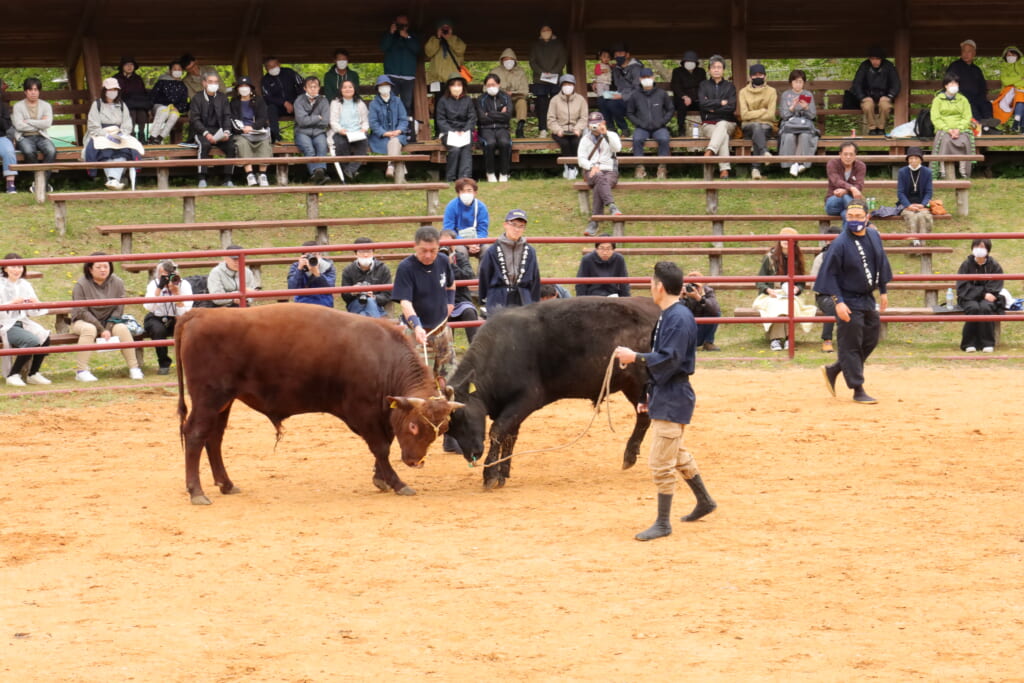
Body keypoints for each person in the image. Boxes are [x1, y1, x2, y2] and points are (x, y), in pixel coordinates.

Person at [614, 261, 717, 541]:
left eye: (651, 283)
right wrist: (647, 393)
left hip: (673, 394)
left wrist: (634, 357)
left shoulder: (677, 318)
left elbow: (670, 359)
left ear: (659, 287)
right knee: (676, 452)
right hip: (667, 392)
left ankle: (663, 522)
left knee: (661, 462)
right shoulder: (670, 315)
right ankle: (704, 500)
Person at [815, 200, 893, 405]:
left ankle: (835, 369)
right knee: (850, 343)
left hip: (866, 296)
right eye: (850, 217)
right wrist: (838, 302)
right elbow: (829, 275)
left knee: (871, 337)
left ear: (867, 217)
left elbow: (881, 262)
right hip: (847, 297)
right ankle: (858, 388)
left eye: (859, 216)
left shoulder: (874, 236)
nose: (854, 220)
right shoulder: (840, 243)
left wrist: (883, 290)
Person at [392, 225, 457, 385]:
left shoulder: (442, 260)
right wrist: (417, 326)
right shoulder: (406, 268)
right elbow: (405, 302)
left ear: (439, 247)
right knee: (418, 382)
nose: (428, 255)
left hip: (442, 331)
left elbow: (451, 284)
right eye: (423, 250)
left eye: (433, 250)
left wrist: (450, 302)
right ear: (415, 246)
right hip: (417, 333)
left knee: (449, 379)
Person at [70, 253, 143, 382]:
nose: (103, 270)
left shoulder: (117, 282)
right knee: (89, 329)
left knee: (122, 328)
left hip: (110, 321)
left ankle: (134, 368)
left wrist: (108, 327)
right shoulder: (81, 285)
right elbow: (81, 311)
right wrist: (101, 329)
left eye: (106, 266)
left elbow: (119, 308)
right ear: (90, 269)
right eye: (98, 267)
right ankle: (81, 371)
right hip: (84, 320)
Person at [752, 227, 818, 351]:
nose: (785, 241)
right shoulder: (770, 257)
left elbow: (801, 283)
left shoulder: (797, 259)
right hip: (770, 294)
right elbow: (760, 281)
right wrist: (768, 290)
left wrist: (796, 289)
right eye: (783, 237)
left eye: (789, 238)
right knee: (777, 306)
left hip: (789, 295)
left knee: (788, 305)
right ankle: (777, 339)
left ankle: (787, 338)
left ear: (795, 242)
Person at [0, 253, 51, 386]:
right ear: (5, 268)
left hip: (22, 321)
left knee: (45, 336)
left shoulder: (25, 284)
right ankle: (12, 374)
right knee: (32, 341)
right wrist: (11, 304)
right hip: (5, 324)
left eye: (20, 266)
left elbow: (34, 312)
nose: (17, 270)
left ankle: (33, 373)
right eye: (13, 266)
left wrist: (34, 303)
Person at [85, 78, 144, 191]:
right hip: (101, 134)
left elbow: (127, 123)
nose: (113, 92)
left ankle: (113, 180)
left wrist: (122, 134)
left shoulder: (122, 105)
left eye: (115, 89)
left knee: (126, 150)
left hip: (119, 134)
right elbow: (93, 125)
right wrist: (106, 135)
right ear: (104, 90)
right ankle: (114, 179)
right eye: (110, 89)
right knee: (105, 150)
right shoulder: (96, 105)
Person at [478, 209, 541, 312]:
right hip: (498, 296)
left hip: (523, 296)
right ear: (505, 225)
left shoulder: (530, 251)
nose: (517, 229)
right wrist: (484, 299)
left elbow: (535, 279)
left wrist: (534, 302)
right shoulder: (492, 251)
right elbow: (485, 276)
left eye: (521, 226)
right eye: (514, 225)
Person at [142, 260, 193, 375]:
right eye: (163, 275)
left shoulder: (184, 285)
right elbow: (149, 307)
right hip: (157, 317)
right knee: (158, 331)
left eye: (169, 275)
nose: (167, 278)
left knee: (189, 328)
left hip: (178, 317)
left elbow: (187, 311)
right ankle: (163, 364)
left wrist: (176, 295)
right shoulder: (153, 284)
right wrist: (159, 290)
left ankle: (188, 362)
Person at [577, 112, 622, 237]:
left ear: (603, 123)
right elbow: (581, 159)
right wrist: (592, 166)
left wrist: (605, 133)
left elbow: (617, 148)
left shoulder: (611, 135)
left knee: (600, 184)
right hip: (591, 171)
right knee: (599, 177)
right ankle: (611, 205)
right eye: (592, 124)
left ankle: (595, 221)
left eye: (597, 123)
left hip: (609, 170)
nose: (595, 126)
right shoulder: (585, 139)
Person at [957, 239, 1004, 353]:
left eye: (982, 247)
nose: (979, 249)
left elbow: (996, 284)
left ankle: (987, 343)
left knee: (986, 308)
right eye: (977, 246)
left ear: (988, 249)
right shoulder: (966, 265)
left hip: (988, 298)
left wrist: (989, 293)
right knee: (973, 308)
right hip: (968, 297)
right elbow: (963, 286)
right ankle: (968, 343)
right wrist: (983, 293)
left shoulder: (994, 265)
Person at [190, 71, 236, 188]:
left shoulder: (223, 98)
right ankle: (202, 177)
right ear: (204, 83)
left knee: (231, 146)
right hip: (201, 131)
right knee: (204, 145)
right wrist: (206, 134)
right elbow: (195, 119)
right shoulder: (197, 98)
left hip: (219, 131)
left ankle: (228, 178)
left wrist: (226, 132)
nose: (213, 84)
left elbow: (227, 116)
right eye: (210, 82)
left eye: (216, 82)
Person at [628, 67, 675, 179]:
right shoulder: (634, 95)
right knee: (637, 139)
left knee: (664, 139)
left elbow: (670, 109)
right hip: (642, 127)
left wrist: (662, 121)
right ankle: (639, 168)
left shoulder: (662, 94)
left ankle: (662, 168)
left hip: (659, 127)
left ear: (653, 78)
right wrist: (639, 123)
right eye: (644, 77)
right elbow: (630, 113)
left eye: (648, 77)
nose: (646, 79)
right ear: (640, 79)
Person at [12, 78, 57, 192]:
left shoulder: (46, 105)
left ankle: (40, 182)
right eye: (30, 89)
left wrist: (29, 121)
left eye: (36, 89)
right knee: (28, 151)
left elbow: (47, 123)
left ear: (39, 91)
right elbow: (19, 126)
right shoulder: (18, 106)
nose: (33, 92)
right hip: (24, 136)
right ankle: (42, 182)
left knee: (51, 151)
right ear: (25, 92)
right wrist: (39, 123)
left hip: (41, 135)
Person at [698, 55, 738, 179]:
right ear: (709, 69)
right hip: (708, 124)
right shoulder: (703, 85)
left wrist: (712, 107)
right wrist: (720, 103)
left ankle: (710, 151)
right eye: (713, 67)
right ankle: (724, 170)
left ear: (723, 70)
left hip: (728, 123)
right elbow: (702, 104)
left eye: (719, 67)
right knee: (723, 135)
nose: (716, 70)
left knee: (722, 124)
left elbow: (731, 107)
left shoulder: (730, 87)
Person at [930, 74, 975, 179]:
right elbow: (935, 118)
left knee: (964, 140)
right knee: (945, 140)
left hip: (961, 129)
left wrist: (959, 129)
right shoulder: (938, 100)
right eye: (951, 83)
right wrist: (948, 129)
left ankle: (963, 169)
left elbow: (967, 116)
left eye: (956, 83)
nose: (954, 85)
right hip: (943, 129)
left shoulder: (963, 100)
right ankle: (942, 169)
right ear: (946, 85)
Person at [229, 76, 271, 187]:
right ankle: (250, 174)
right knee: (242, 143)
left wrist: (252, 127)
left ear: (251, 88)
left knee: (265, 143)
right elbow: (231, 119)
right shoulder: (234, 103)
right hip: (242, 132)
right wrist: (242, 128)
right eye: (241, 86)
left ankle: (262, 174)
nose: (244, 88)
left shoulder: (259, 100)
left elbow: (263, 118)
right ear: (237, 89)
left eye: (246, 86)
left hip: (258, 130)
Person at [439, 229, 480, 343]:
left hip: (461, 300)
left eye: (449, 244)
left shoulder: (460, 257)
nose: (446, 247)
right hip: (441, 301)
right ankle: (447, 354)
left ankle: (474, 350)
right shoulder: (433, 259)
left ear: (454, 244)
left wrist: (452, 265)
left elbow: (468, 276)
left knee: (469, 312)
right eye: (443, 244)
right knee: (442, 315)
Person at [738, 63, 777, 180]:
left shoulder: (771, 91)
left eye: (760, 74)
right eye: (755, 75)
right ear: (750, 77)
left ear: (765, 76)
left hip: (766, 126)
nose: (758, 77)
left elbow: (771, 115)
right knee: (756, 127)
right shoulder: (743, 92)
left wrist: (754, 115)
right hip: (748, 126)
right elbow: (744, 115)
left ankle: (755, 169)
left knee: (758, 130)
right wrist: (762, 111)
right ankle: (764, 153)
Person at [778, 69, 819, 177]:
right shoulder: (785, 95)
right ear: (791, 82)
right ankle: (793, 163)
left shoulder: (808, 94)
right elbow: (784, 115)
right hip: (789, 124)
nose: (798, 84)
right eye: (795, 81)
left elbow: (812, 115)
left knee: (805, 136)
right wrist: (792, 106)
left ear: (804, 83)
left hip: (805, 124)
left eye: (800, 82)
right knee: (789, 136)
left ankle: (798, 163)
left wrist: (806, 107)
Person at [528, 25, 568, 138]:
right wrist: (543, 74)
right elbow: (532, 61)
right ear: (540, 33)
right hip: (539, 80)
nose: (546, 32)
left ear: (552, 32)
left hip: (556, 78)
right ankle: (543, 129)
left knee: (557, 104)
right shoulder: (535, 45)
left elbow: (562, 60)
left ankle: (557, 129)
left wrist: (553, 72)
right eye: (543, 30)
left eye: (548, 30)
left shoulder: (558, 44)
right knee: (541, 105)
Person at [435, 74, 476, 182]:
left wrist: (465, 130)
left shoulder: (467, 100)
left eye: (459, 85)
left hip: (465, 132)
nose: (456, 87)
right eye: (453, 85)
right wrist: (452, 131)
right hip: (448, 132)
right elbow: (440, 120)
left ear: (463, 87)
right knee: (455, 149)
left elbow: (472, 117)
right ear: (449, 87)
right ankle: (450, 177)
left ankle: (465, 177)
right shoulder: (443, 101)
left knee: (466, 149)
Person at [851, 47, 900, 135]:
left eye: (877, 59)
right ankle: (872, 129)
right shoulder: (864, 66)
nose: (875, 61)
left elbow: (896, 84)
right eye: (872, 59)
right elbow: (857, 84)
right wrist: (863, 97)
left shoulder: (889, 66)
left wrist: (889, 96)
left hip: (884, 96)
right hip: (867, 96)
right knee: (867, 106)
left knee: (885, 106)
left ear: (881, 59)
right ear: (869, 59)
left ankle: (881, 128)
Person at [548, 74, 588, 179]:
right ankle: (570, 167)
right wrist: (558, 130)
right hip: (560, 130)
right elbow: (551, 119)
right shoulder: (554, 100)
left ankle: (571, 167)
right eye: (565, 84)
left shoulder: (581, 100)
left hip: (575, 130)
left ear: (574, 85)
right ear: (561, 86)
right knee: (565, 143)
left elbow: (584, 118)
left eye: (570, 84)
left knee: (575, 142)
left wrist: (578, 128)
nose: (567, 86)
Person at [424, 20, 466, 122]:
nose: (445, 30)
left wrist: (450, 38)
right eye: (443, 28)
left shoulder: (456, 40)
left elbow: (461, 50)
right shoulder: (434, 40)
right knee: (439, 107)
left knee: (455, 106)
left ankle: (455, 128)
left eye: (447, 28)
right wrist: (438, 38)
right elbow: (428, 52)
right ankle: (440, 131)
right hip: (437, 81)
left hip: (453, 81)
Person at [380, 15, 420, 121]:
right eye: (400, 25)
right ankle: (389, 124)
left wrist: (407, 37)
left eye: (405, 25)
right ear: (395, 24)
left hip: (408, 77)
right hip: (392, 75)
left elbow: (417, 50)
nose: (402, 27)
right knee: (389, 101)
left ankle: (405, 127)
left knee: (407, 103)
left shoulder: (413, 36)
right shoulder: (390, 35)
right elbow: (383, 47)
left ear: (408, 25)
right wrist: (391, 33)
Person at [368, 75, 409, 179]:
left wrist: (398, 131)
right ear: (378, 89)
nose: (384, 88)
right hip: (380, 137)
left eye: (386, 85)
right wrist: (386, 133)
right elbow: (373, 123)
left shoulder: (398, 101)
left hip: (398, 134)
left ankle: (390, 165)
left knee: (394, 141)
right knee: (394, 143)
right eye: (381, 86)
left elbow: (403, 119)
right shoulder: (373, 104)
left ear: (390, 87)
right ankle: (400, 174)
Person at [340, 237, 392, 317]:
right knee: (369, 304)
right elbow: (345, 296)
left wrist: (374, 297)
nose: (366, 255)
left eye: (369, 251)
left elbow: (387, 295)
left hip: (376, 305)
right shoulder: (348, 270)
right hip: (355, 305)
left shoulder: (383, 269)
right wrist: (352, 292)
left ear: (373, 252)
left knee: (369, 303)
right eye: (361, 251)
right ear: (356, 253)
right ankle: (375, 325)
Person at [598, 43, 643, 136]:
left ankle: (624, 129)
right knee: (602, 99)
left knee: (612, 103)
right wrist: (595, 82)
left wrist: (622, 96)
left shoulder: (636, 68)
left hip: (633, 98)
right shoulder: (616, 69)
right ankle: (611, 129)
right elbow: (606, 78)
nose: (618, 56)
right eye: (616, 54)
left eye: (620, 53)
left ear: (627, 55)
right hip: (619, 95)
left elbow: (637, 88)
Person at [329, 80, 369, 180]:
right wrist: (340, 130)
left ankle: (350, 170)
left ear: (354, 89)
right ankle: (349, 171)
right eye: (345, 87)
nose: (348, 89)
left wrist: (364, 129)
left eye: (350, 87)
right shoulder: (335, 103)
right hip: (341, 132)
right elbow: (333, 121)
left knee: (363, 145)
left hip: (357, 132)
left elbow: (365, 121)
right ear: (341, 90)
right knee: (341, 144)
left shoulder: (360, 103)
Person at [293, 76, 331, 184]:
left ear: (319, 88)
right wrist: (317, 117)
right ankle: (317, 172)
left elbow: (325, 122)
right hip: (302, 132)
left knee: (322, 146)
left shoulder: (324, 101)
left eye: (316, 87)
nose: (313, 89)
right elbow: (301, 122)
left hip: (319, 132)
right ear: (305, 88)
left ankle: (319, 173)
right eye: (310, 87)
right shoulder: (299, 101)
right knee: (308, 148)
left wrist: (311, 120)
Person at [810, 227, 842, 353]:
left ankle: (849, 339)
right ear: (825, 241)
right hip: (825, 295)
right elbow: (814, 284)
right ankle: (827, 340)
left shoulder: (848, 255)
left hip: (845, 294)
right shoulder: (820, 258)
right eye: (829, 240)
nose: (832, 242)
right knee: (833, 305)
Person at [476, 73, 513, 183]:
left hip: (503, 128)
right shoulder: (481, 99)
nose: (491, 87)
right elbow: (482, 118)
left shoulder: (506, 98)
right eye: (488, 85)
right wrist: (499, 114)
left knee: (505, 143)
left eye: (493, 84)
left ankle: (504, 173)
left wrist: (490, 114)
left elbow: (508, 116)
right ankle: (490, 173)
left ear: (499, 84)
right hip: (485, 129)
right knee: (490, 143)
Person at [946, 39, 994, 122]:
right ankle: (980, 127)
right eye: (964, 51)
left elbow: (982, 87)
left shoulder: (976, 70)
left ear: (974, 54)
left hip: (976, 98)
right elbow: (949, 83)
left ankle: (989, 126)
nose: (966, 54)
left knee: (986, 105)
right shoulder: (955, 66)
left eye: (969, 52)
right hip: (961, 97)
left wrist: (982, 98)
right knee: (971, 106)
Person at [443, 178, 489, 258]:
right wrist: (467, 243)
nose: (466, 193)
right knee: (461, 251)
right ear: (458, 193)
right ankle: (465, 271)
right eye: (462, 191)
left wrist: (476, 243)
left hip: (477, 241)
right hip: (457, 240)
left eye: (469, 190)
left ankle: (483, 271)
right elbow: (449, 230)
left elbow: (483, 229)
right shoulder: (451, 206)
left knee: (487, 250)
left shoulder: (481, 207)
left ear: (475, 192)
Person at [261, 57, 304, 143]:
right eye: (269, 66)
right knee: (271, 109)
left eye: (275, 65)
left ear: (279, 64)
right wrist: (283, 102)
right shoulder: (265, 80)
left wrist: (295, 102)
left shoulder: (289, 72)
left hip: (295, 103)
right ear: (266, 68)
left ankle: (301, 136)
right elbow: (267, 97)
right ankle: (275, 137)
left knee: (302, 108)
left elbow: (302, 86)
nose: (273, 68)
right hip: (279, 107)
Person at [897, 146, 934, 242]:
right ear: (908, 160)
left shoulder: (927, 172)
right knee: (911, 216)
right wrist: (908, 205)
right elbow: (900, 192)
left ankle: (923, 242)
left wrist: (922, 204)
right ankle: (914, 241)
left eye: (916, 158)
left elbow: (928, 192)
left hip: (921, 204)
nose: (913, 160)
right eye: (911, 158)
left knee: (923, 216)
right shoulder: (902, 172)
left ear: (921, 160)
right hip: (907, 204)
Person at [148, 60, 189, 144]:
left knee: (174, 115)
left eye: (179, 69)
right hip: (160, 106)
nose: (177, 71)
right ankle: (152, 136)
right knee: (164, 111)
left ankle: (160, 137)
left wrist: (178, 108)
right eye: (175, 69)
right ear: (170, 71)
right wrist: (148, 109)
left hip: (173, 108)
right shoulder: (162, 82)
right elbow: (153, 95)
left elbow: (184, 101)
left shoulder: (183, 86)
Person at [825, 141, 866, 224]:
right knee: (845, 197)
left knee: (848, 215)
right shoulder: (832, 164)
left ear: (855, 155)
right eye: (845, 154)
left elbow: (859, 185)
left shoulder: (860, 166)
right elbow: (836, 181)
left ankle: (848, 236)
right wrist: (852, 188)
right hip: (833, 203)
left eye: (851, 154)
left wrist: (845, 191)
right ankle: (863, 217)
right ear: (840, 154)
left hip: (848, 205)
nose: (848, 157)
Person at [287, 241, 336, 308]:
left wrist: (317, 273)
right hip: (302, 304)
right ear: (303, 256)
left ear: (320, 255)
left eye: (315, 254)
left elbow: (329, 288)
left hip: (323, 303)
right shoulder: (296, 266)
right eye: (309, 255)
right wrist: (299, 270)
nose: (312, 258)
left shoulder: (327, 266)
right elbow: (292, 288)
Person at [682, 270, 721, 351]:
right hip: (686, 331)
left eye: (696, 285)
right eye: (691, 284)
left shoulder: (708, 291)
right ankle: (685, 343)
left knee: (716, 313)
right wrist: (682, 298)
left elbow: (715, 310)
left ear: (702, 284)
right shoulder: (682, 292)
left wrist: (699, 298)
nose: (693, 288)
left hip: (701, 329)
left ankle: (708, 343)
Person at [113, 56, 150, 140]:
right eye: (127, 65)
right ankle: (131, 134)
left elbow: (143, 93)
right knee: (131, 112)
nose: (129, 67)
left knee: (142, 113)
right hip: (123, 103)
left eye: (131, 65)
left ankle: (141, 135)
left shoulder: (138, 78)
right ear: (122, 67)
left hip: (138, 103)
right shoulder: (116, 78)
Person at [495, 49, 529, 139]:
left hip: (515, 100)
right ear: (502, 60)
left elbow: (525, 91)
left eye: (510, 60)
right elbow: (487, 88)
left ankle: (520, 129)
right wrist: (502, 93)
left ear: (514, 60)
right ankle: (502, 130)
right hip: (500, 100)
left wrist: (513, 93)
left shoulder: (520, 72)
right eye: (505, 60)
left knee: (522, 102)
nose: (508, 62)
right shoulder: (495, 72)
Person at [670, 51, 705, 134]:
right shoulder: (677, 71)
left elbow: (703, 85)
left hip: (697, 99)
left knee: (705, 104)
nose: (689, 63)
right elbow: (675, 86)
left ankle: (707, 127)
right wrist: (684, 96)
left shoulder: (701, 71)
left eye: (692, 61)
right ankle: (681, 129)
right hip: (682, 99)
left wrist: (701, 97)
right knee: (681, 105)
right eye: (687, 61)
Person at [1, 86, 17, 193]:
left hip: (1, 137)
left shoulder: (2, 107)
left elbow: (6, 126)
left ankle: (10, 184)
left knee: (9, 151)